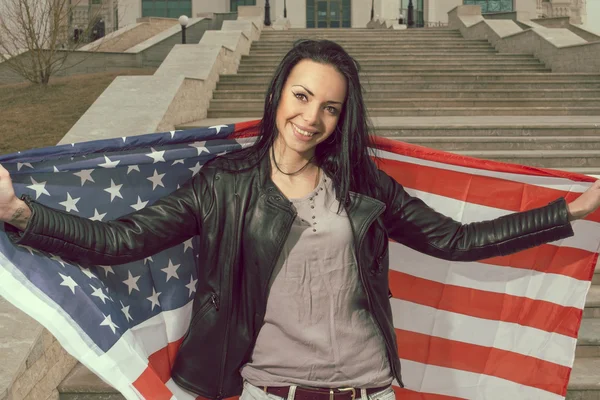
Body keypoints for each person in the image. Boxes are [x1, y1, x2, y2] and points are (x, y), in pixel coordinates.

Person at [1, 39, 599, 400]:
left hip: (367, 388)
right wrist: (19, 212)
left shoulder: (364, 186)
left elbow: (457, 240)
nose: (311, 117)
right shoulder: (225, 184)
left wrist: (563, 214)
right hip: (268, 390)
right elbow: (121, 239)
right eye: (302, 96)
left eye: (330, 107)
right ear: (278, 94)